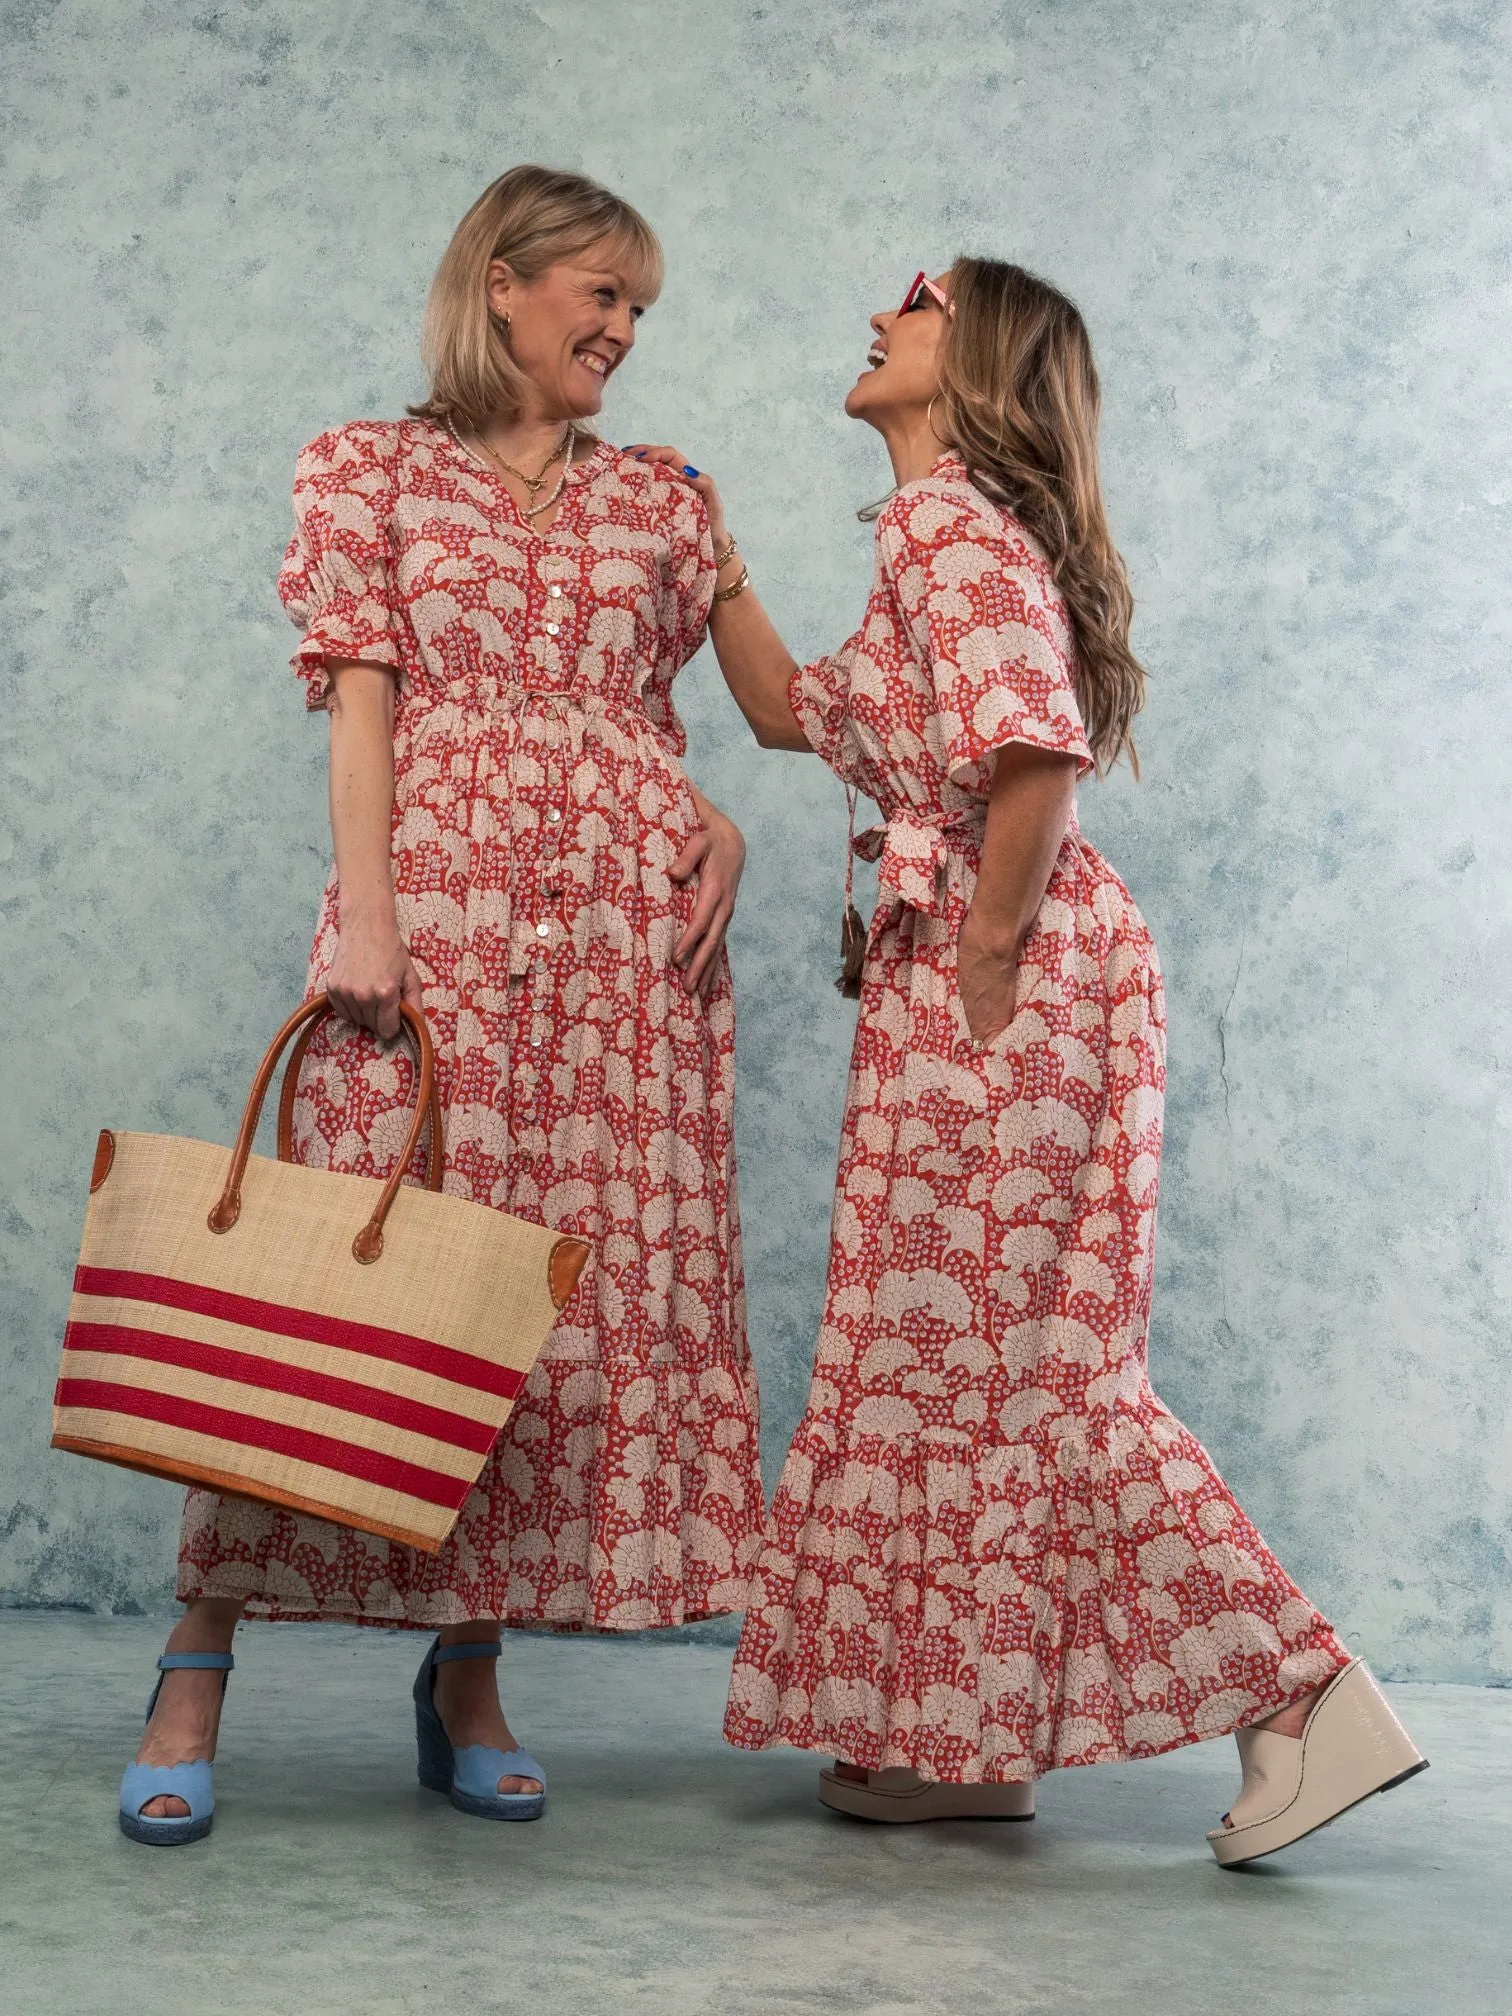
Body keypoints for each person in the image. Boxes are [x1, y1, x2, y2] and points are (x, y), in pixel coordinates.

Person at [631, 259, 1426, 1865]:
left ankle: (1303, 1692)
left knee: (1037, 1370)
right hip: (997, 967)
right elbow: (798, 715)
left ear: (975, 364)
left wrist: (984, 955)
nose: (879, 313)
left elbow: (1037, 746)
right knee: (952, 1368)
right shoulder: (941, 535)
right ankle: (964, 1740)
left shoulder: (949, 523)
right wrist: (713, 566)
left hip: (1014, 970)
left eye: (918, 307)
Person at [119, 166, 764, 1845]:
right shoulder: (372, 469)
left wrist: (714, 821)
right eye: (601, 296)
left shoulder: (665, 498)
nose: (625, 332)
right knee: (337, 1292)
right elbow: (361, 714)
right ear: (502, 281)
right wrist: (373, 925)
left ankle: (467, 1677)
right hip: (439, 931)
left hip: (624, 972)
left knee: (528, 1320)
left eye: (640, 310)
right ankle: (196, 1659)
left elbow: (671, 719)